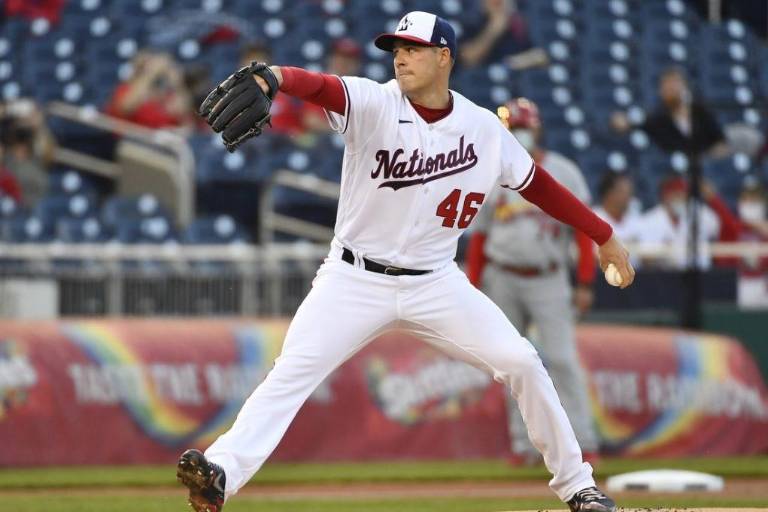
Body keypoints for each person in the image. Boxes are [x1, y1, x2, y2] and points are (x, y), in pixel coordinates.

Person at [178, 11, 634, 512]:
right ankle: (222, 474)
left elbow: (538, 185)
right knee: (292, 372)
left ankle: (579, 487)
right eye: (396, 48)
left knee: (522, 360)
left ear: (444, 57)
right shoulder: (376, 102)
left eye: (413, 48)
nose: (400, 57)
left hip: (436, 283)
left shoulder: (482, 128)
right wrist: (275, 76)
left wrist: (602, 234)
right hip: (353, 278)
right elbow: (324, 87)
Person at [464, 98, 600, 467]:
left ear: (537, 127)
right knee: (510, 361)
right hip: (502, 275)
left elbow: (583, 230)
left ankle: (584, 441)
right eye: (513, 125)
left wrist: (585, 281)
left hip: (548, 276)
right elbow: (479, 237)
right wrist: (473, 285)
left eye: (525, 124)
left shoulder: (563, 170)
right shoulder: (490, 170)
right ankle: (524, 446)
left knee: (561, 358)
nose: (520, 131)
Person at [611, 67, 730, 159]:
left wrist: (708, 159)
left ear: (685, 86)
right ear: (660, 91)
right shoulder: (657, 120)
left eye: (675, 83)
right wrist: (622, 122)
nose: (671, 89)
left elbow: (720, 142)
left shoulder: (701, 112)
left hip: (702, 169)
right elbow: (632, 125)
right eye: (667, 85)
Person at [637, 175, 722, 269]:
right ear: (666, 196)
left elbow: (719, 229)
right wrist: (665, 251)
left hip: (700, 274)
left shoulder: (698, 212)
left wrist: (712, 199)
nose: (682, 199)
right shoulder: (650, 220)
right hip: (664, 276)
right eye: (677, 195)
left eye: (684, 195)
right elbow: (645, 260)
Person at [104, 51, 194, 130]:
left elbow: (186, 124)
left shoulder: (167, 97)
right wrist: (150, 73)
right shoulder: (126, 88)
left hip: (159, 144)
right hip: (128, 141)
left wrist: (178, 83)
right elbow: (125, 108)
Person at [460, 0, 548, 70]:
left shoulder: (518, 25)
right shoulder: (473, 22)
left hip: (515, 79)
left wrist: (509, 64)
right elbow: (468, 59)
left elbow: (539, 57)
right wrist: (494, 29)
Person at [592, 171, 644, 247]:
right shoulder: (594, 218)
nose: (628, 197)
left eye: (629, 193)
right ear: (609, 194)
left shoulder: (635, 217)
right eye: (623, 192)